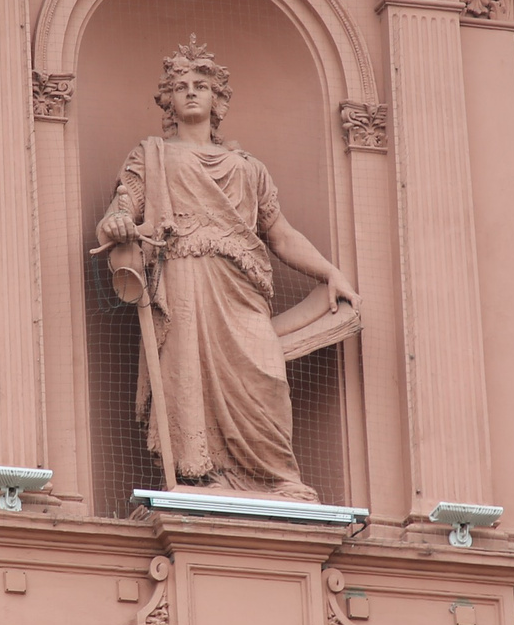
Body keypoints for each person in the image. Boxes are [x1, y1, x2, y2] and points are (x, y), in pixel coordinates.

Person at [97, 39, 356, 503]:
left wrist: (329, 272)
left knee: (265, 374)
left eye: (201, 85)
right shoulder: (152, 155)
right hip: (183, 283)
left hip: (243, 288)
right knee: (188, 376)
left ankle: (277, 477)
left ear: (219, 100)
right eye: (181, 86)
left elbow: (279, 233)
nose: (191, 92)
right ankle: (200, 477)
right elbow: (122, 209)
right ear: (168, 100)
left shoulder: (249, 168)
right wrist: (116, 222)